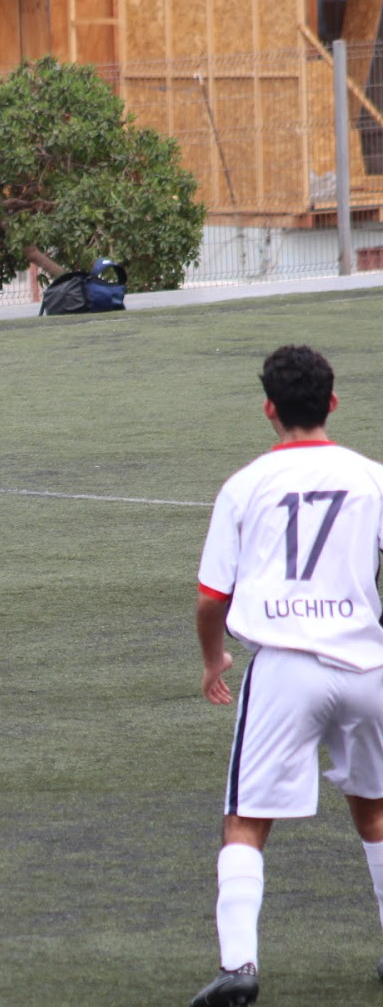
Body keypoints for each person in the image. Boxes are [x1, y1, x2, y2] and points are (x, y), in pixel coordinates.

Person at [190, 345, 383, 1007]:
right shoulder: (373, 477)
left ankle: (239, 966)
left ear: (268, 407)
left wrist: (213, 658)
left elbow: (212, 598)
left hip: (284, 669)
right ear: (333, 402)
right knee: (376, 810)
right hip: (367, 666)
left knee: (245, 820)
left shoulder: (245, 485)